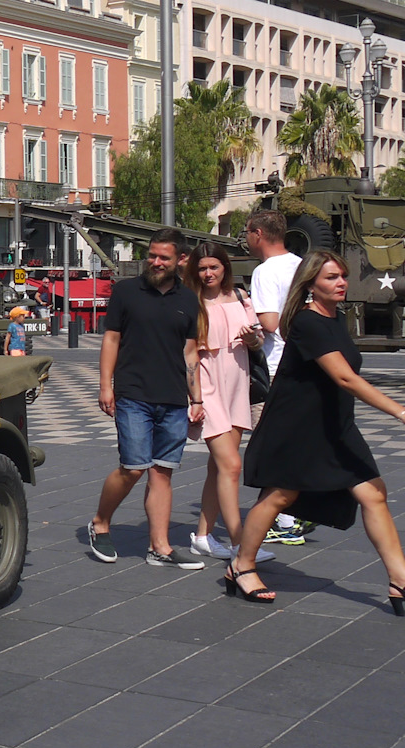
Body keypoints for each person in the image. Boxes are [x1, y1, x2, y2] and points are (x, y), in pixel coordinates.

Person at [227, 249, 405, 612]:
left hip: (333, 426)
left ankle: (400, 581)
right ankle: (241, 565)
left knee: (374, 493)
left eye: (342, 276)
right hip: (297, 428)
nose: (341, 283)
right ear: (311, 284)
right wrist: (399, 410)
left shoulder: (335, 318)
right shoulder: (307, 323)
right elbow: (344, 377)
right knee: (280, 496)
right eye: (331, 277)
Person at [88, 229, 204, 568]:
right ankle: (100, 523)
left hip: (173, 399)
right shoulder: (126, 292)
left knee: (162, 472)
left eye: (163, 257)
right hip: (133, 393)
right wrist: (105, 385)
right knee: (134, 468)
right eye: (152, 255)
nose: (155, 262)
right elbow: (111, 340)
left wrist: (196, 399)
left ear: (180, 260)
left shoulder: (188, 299)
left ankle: (160, 546)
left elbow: (191, 352)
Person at [187, 242, 262, 560]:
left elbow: (258, 340)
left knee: (217, 468)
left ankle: (202, 536)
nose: (208, 273)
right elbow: (188, 355)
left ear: (224, 268)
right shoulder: (191, 302)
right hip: (209, 391)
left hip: (238, 387)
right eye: (202, 268)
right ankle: (240, 544)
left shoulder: (242, 297)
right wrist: (196, 399)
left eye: (213, 267)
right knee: (231, 466)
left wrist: (252, 339)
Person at [244, 210, 308, 543]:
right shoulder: (302, 264)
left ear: (258, 233)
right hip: (305, 363)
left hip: (275, 367)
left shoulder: (265, 272)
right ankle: (293, 511)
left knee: (270, 446)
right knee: (293, 441)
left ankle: (283, 519)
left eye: (246, 233)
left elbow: (270, 322)